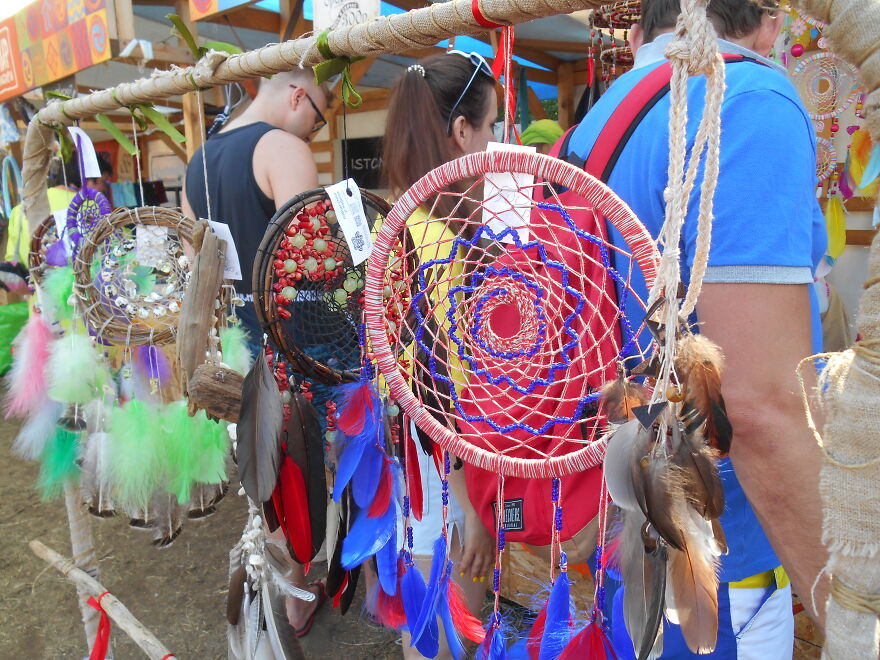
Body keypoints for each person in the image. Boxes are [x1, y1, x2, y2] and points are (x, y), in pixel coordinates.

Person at [563, 0, 827, 656]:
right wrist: (846, 608)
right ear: (769, 20)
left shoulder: (597, 117)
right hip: (717, 564)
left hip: (626, 532)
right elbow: (760, 407)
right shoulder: (748, 102)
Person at [182, 68, 332, 637]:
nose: (314, 134)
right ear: (298, 95)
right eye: (317, 119)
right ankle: (299, 593)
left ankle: (278, 586)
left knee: (264, 480)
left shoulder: (198, 160)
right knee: (302, 472)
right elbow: (313, 263)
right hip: (295, 344)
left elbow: (208, 265)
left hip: (238, 347)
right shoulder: (282, 148)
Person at [382, 51, 498, 659]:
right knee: (447, 637)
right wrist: (472, 502)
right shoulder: (441, 241)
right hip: (447, 461)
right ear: (461, 132)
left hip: (415, 452)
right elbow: (435, 379)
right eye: (491, 128)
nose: (496, 145)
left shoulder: (399, 220)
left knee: (428, 631)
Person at [5, 152, 112, 265]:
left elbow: (12, 261)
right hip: (82, 280)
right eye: (103, 181)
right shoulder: (92, 208)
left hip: (32, 280)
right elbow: (114, 246)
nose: (104, 188)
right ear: (88, 180)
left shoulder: (19, 210)